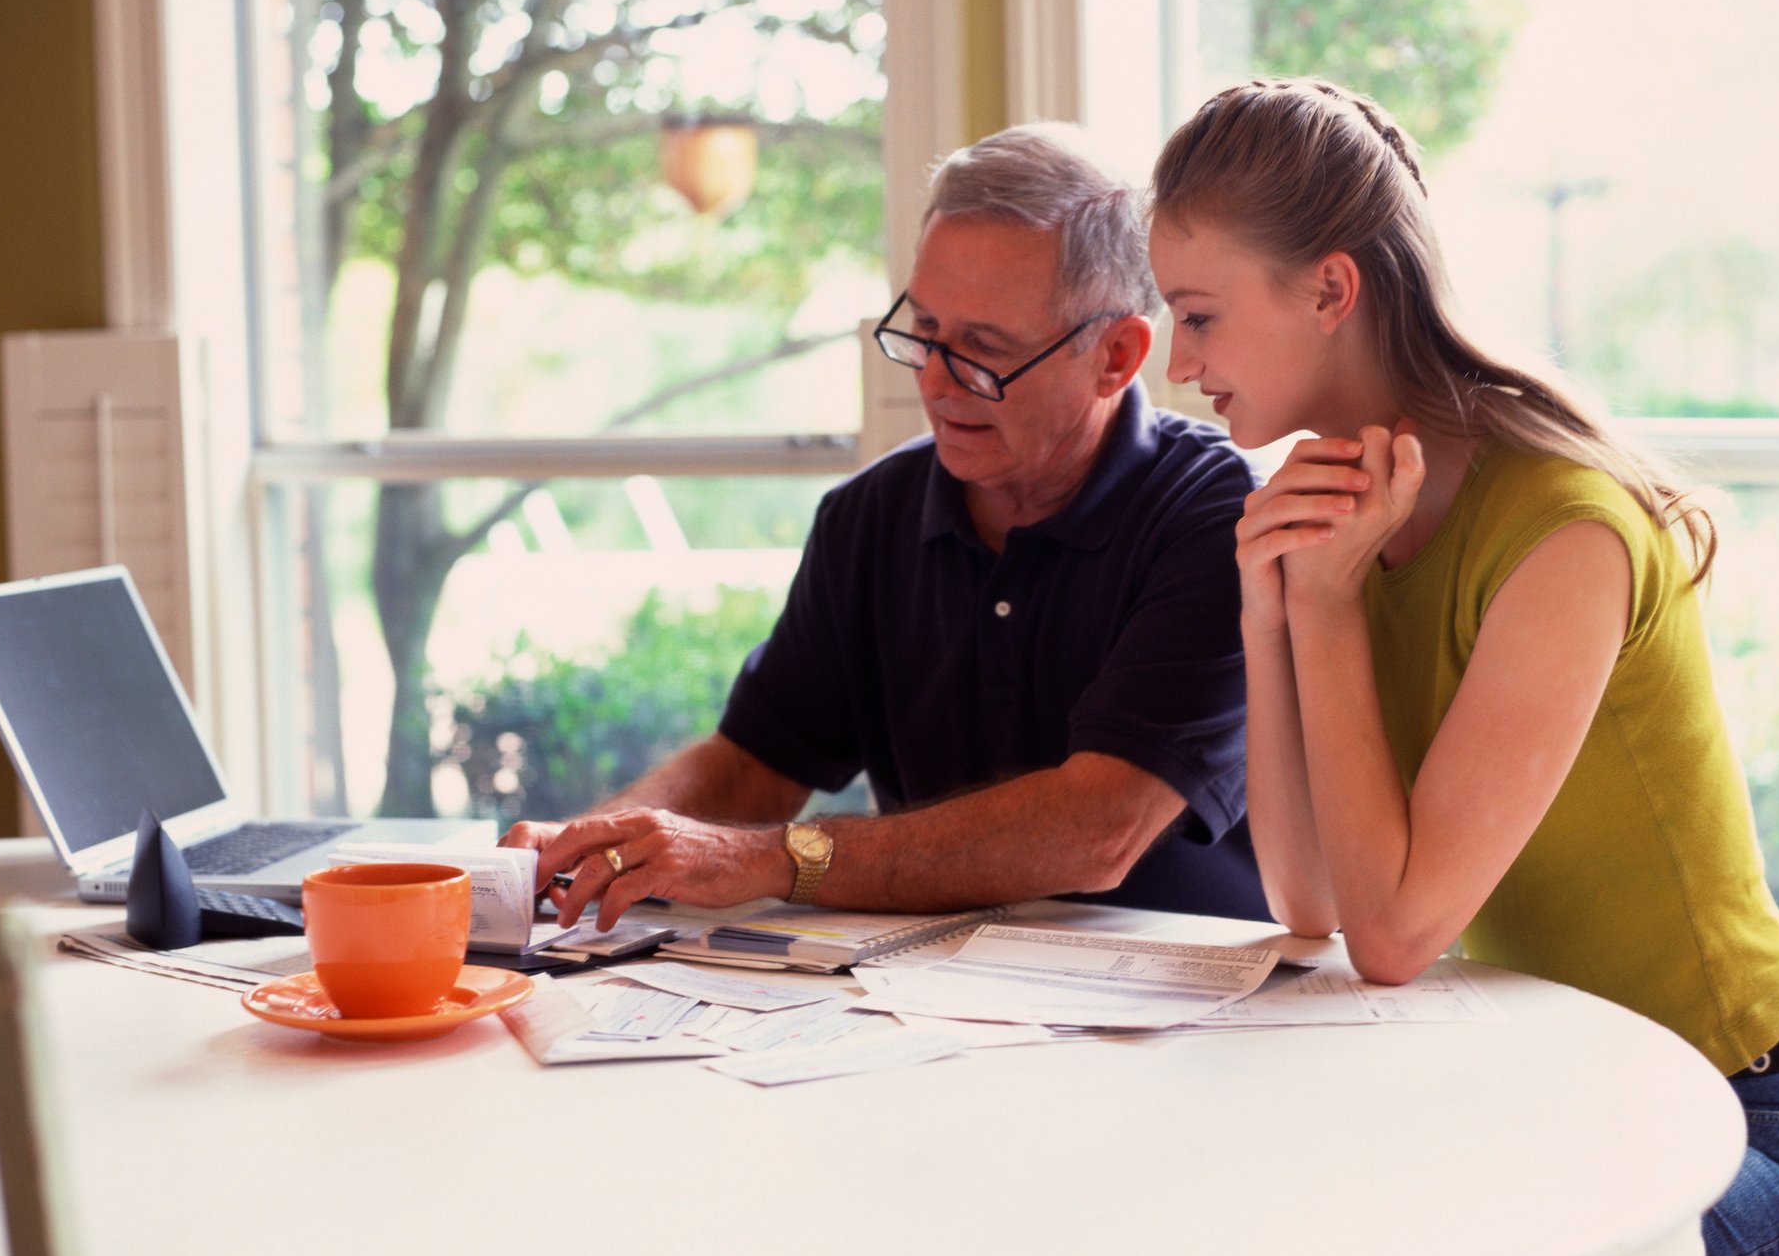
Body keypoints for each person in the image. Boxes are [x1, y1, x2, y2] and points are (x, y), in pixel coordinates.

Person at [1145, 75, 1779, 1256]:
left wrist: (1334, 602)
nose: (1177, 364)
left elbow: (1397, 935)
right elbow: (1308, 903)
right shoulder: (1336, 503)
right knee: (1247, 1214)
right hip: (1564, 1090)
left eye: (1197, 316)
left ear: (1328, 290)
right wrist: (1273, 602)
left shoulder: (1562, 531)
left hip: (1748, 1118)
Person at [502, 124, 1267, 930]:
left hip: (1181, 1010)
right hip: (915, 1000)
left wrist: (770, 860)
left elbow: (1098, 828)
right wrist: (602, 843)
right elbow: (755, 765)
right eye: (925, 331)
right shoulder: (871, 515)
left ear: (1115, 356)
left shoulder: (1217, 517)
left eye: (984, 349)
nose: (934, 380)